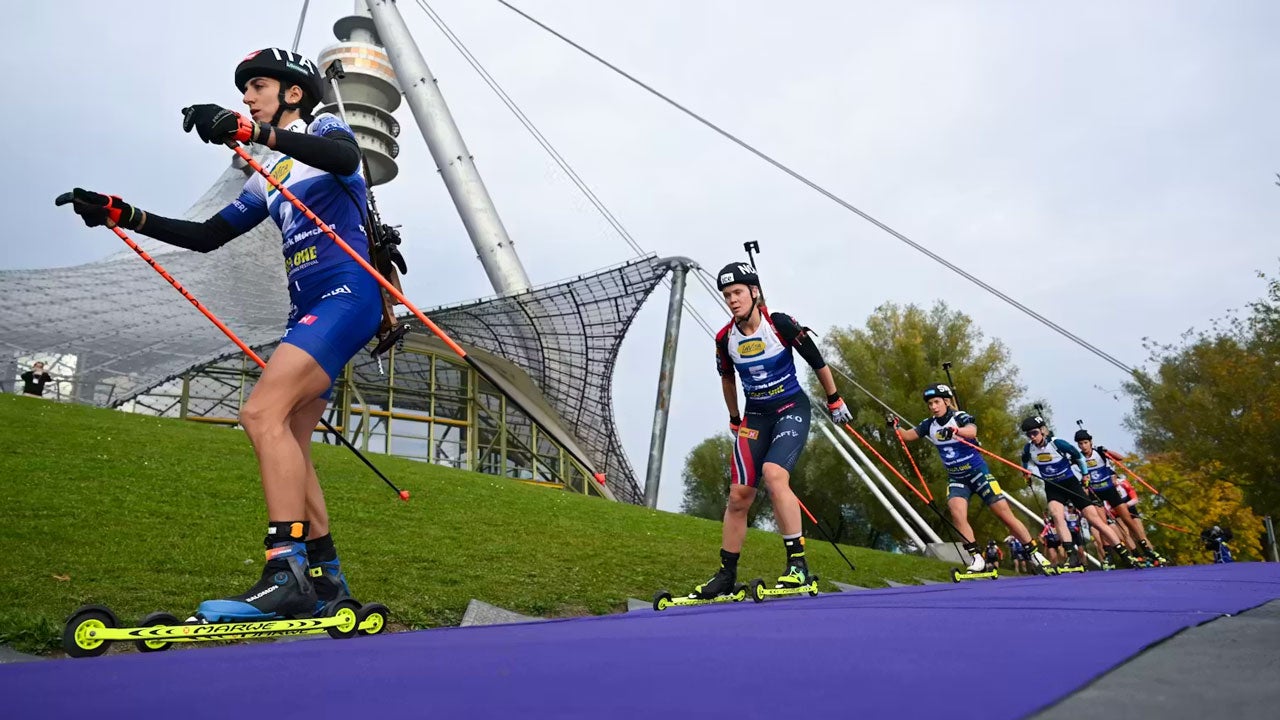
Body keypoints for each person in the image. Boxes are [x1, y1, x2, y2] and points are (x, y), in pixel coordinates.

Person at [59, 48, 381, 621]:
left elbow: (344, 155)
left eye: (257, 86)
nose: (247, 97)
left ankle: (284, 572)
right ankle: (328, 579)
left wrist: (250, 131)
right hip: (308, 306)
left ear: (293, 93)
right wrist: (124, 214)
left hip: (347, 294)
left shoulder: (322, 130)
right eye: (244, 92)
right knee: (291, 437)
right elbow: (208, 236)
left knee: (260, 414)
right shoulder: (270, 174)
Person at [692, 262, 852, 598]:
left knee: (774, 474)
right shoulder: (725, 339)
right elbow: (727, 378)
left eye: (737, 292)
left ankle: (798, 567)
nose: (732, 300)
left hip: (791, 408)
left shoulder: (779, 324)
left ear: (754, 292)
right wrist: (734, 417)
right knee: (738, 496)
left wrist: (834, 399)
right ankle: (726, 574)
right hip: (756, 417)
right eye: (727, 295)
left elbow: (817, 360)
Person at [895, 384, 1050, 573]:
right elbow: (909, 435)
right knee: (956, 512)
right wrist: (895, 427)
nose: (933, 407)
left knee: (1004, 515)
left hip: (978, 473)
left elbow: (972, 430)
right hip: (957, 477)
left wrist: (955, 431)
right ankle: (977, 558)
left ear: (946, 401)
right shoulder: (930, 424)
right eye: (930, 404)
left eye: (936, 402)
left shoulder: (959, 417)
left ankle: (1033, 552)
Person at [1020, 416, 1133, 569]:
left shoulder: (1057, 444)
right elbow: (1024, 461)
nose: (1032, 437)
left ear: (1042, 431)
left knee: (1095, 520)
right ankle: (1071, 556)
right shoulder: (1029, 448)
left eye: (1034, 433)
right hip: (1052, 486)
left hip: (1070, 483)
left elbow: (1078, 457)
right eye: (1029, 435)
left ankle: (1123, 552)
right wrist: (1026, 472)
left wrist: (1085, 474)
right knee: (1056, 515)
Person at [1075, 429, 1167, 565]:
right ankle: (1109, 555)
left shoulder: (1099, 452)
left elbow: (1119, 458)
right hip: (1095, 493)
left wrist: (1106, 450)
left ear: (1090, 442)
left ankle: (1146, 549)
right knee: (1102, 525)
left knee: (1127, 519)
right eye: (1080, 444)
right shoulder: (1079, 458)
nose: (1083, 446)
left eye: (1085, 443)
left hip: (1110, 490)